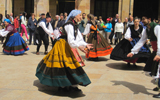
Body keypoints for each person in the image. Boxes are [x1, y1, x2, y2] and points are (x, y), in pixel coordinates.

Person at [36, 10, 92, 92]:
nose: (81, 17)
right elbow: (71, 41)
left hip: (67, 46)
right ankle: (62, 86)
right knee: (61, 66)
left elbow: (78, 38)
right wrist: (79, 46)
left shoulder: (74, 25)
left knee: (70, 65)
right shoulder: (69, 24)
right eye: (79, 15)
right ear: (75, 16)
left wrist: (85, 44)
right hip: (62, 46)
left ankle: (72, 85)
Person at [127, 16, 159, 93]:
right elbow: (142, 41)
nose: (142, 21)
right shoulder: (147, 29)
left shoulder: (156, 27)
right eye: (142, 19)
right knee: (152, 69)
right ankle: (158, 86)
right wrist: (133, 52)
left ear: (150, 19)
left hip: (158, 52)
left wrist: (159, 54)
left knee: (158, 70)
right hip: (155, 51)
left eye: (144, 19)